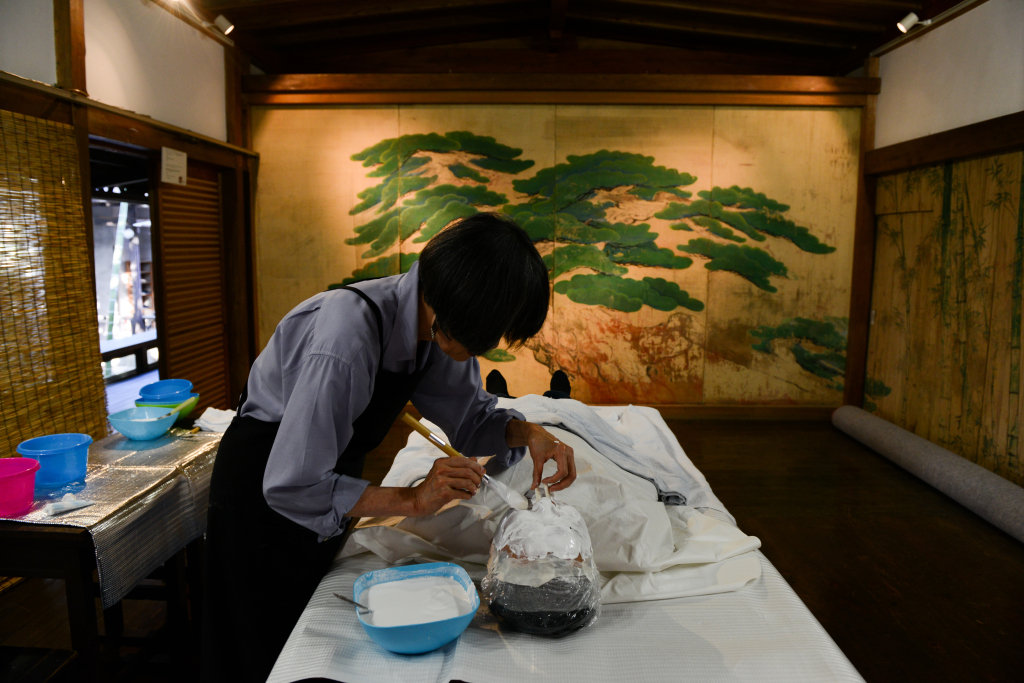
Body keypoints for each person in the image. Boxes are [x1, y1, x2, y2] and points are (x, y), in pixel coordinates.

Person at [201, 213, 577, 682]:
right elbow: (293, 482)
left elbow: (472, 419)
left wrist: (531, 433)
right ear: (456, 318)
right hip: (263, 491)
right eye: (492, 335)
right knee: (260, 643)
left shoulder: (431, 327)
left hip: (326, 477)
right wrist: (413, 499)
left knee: (306, 622)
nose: (492, 346)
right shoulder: (346, 337)